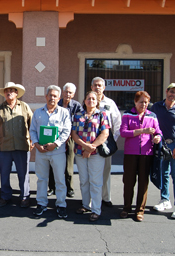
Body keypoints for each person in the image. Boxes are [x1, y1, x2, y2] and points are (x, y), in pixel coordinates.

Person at [30, 85, 71, 218]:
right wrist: (36, 144)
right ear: (46, 96)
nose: (52, 98)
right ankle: (41, 203)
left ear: (59, 98)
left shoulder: (64, 113)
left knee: (60, 179)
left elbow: (66, 131)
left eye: (55, 96)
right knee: (41, 179)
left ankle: (61, 204)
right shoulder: (37, 112)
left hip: (57, 152)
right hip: (41, 152)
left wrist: (56, 144)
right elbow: (33, 131)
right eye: (50, 95)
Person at [120, 91, 162, 221]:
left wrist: (157, 137)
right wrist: (142, 131)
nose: (143, 105)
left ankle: (140, 210)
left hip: (146, 153)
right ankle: (127, 208)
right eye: (141, 102)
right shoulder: (127, 114)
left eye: (146, 102)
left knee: (143, 182)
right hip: (130, 153)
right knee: (128, 181)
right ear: (135, 102)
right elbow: (123, 132)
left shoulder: (152, 116)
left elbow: (158, 131)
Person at [151, 83, 175, 219]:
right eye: (171, 91)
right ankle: (165, 200)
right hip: (162, 145)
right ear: (167, 91)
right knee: (164, 173)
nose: (173, 94)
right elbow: (151, 124)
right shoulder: (156, 107)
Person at [0, 82, 33, 208]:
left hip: (22, 146)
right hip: (4, 147)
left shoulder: (24, 107)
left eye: (11, 90)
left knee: (23, 174)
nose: (8, 93)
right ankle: (5, 196)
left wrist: (32, 140)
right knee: (4, 173)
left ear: (16, 93)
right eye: (6, 91)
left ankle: (24, 197)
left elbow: (33, 124)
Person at [72, 91, 109, 222]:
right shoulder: (77, 115)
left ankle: (96, 210)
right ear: (85, 100)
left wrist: (91, 147)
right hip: (80, 152)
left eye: (93, 99)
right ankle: (85, 205)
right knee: (84, 180)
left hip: (96, 153)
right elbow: (74, 134)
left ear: (97, 101)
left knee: (95, 182)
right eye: (88, 98)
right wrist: (84, 146)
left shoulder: (102, 115)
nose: (91, 101)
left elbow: (105, 133)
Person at [48, 82, 83, 197]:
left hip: (71, 137)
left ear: (73, 94)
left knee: (69, 164)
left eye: (70, 92)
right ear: (62, 92)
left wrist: (70, 134)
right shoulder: (57, 103)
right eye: (66, 91)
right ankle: (52, 187)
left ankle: (69, 188)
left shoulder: (77, 106)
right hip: (56, 136)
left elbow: (80, 122)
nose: (68, 94)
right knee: (53, 162)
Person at [91, 77, 121, 207]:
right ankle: (92, 199)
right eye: (95, 85)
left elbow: (117, 123)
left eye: (100, 85)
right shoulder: (88, 101)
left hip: (106, 143)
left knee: (106, 170)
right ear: (91, 87)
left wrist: (111, 140)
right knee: (92, 172)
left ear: (104, 88)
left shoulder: (110, 103)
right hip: (91, 144)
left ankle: (105, 197)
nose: (97, 87)